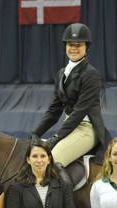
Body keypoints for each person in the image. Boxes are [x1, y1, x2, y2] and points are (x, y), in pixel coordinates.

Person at [32, 22, 112, 184]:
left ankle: (66, 207)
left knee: (50, 162)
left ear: (86, 47)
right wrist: (36, 133)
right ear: (65, 46)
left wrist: (55, 137)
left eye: (78, 45)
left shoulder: (91, 74)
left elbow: (79, 112)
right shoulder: (62, 73)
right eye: (70, 44)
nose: (74, 48)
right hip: (71, 128)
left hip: (87, 129)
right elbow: (54, 110)